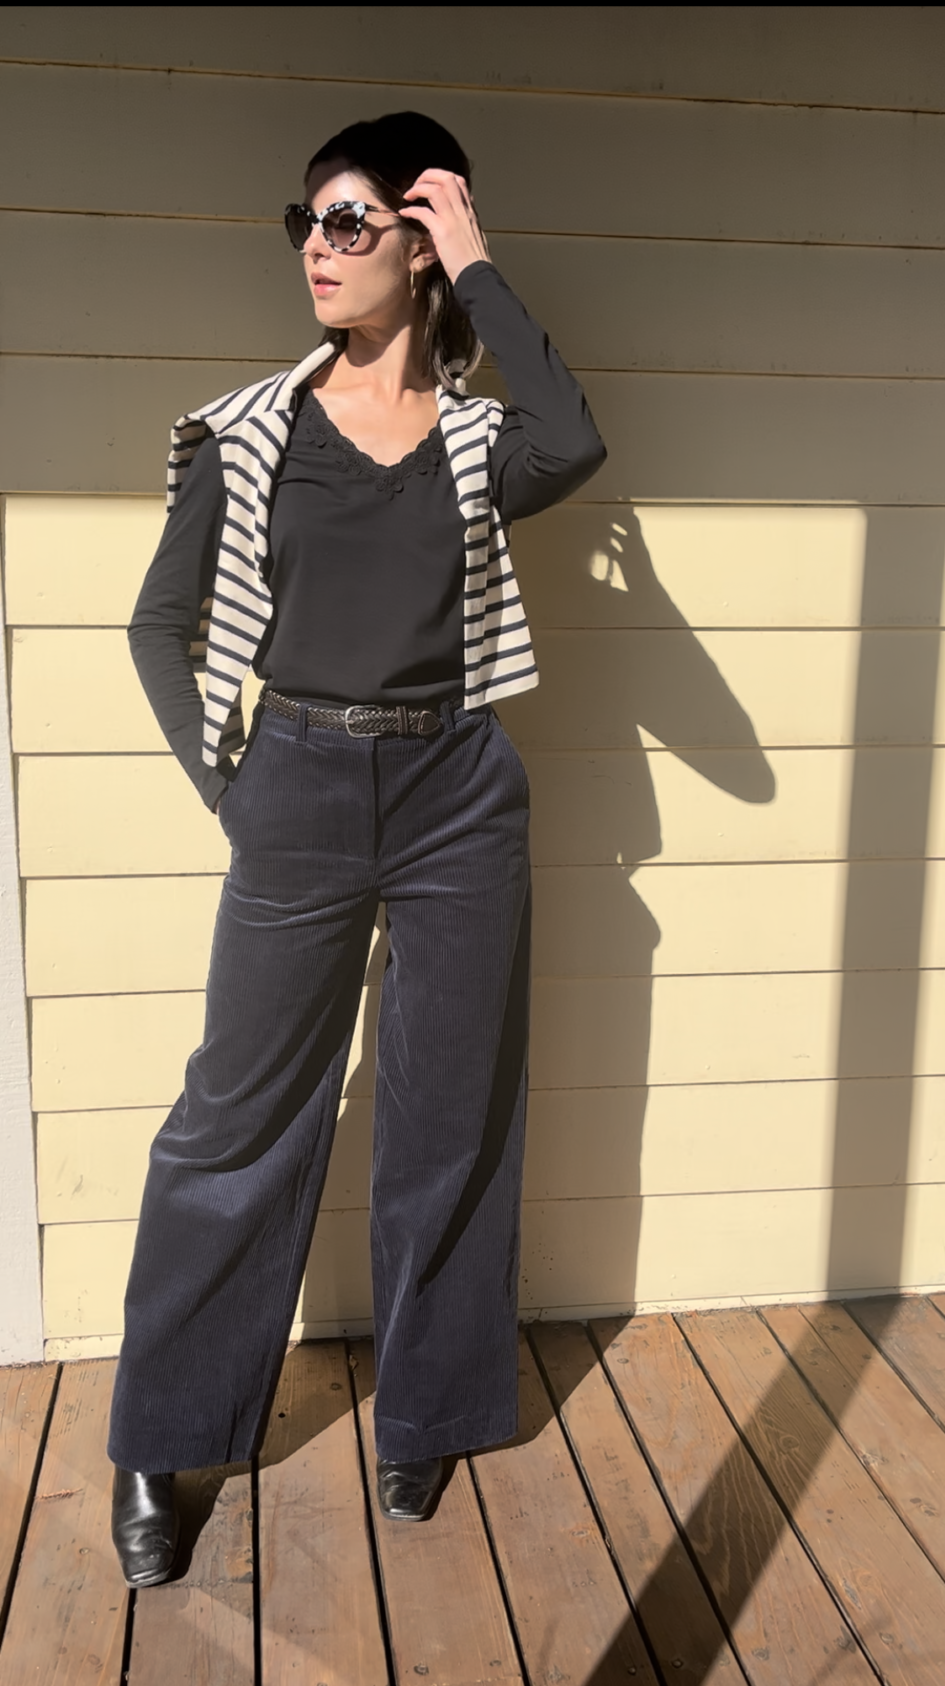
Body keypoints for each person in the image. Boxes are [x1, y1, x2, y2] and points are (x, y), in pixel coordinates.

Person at [107, 109, 606, 1587]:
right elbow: (159, 621)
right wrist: (232, 786)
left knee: (449, 1112)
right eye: (306, 224)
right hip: (300, 785)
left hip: (459, 789)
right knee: (237, 1119)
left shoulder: (477, 440)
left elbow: (576, 440)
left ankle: (428, 1413)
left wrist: (483, 265)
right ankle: (161, 1435)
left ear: (419, 240)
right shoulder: (250, 432)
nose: (316, 249)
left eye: (349, 222)